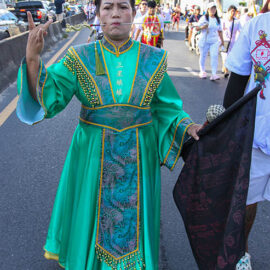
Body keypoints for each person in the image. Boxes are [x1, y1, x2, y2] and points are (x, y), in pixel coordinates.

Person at [17, 0, 202, 268]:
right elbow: (52, 95)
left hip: (139, 156)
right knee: (91, 213)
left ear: (133, 13)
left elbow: (167, 109)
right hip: (92, 154)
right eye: (108, 7)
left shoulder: (153, 58)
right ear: (98, 14)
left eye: (123, 7)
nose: (115, 13)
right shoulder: (79, 57)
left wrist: (189, 126)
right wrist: (33, 58)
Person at [223, 11, 270, 270]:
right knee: (245, 200)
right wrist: (226, 127)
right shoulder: (258, 25)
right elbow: (239, 76)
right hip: (258, 133)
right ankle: (241, 253)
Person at [196, 2, 224, 81]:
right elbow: (197, 28)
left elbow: (220, 31)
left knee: (214, 56)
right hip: (205, 40)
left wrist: (222, 41)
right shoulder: (204, 18)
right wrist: (203, 27)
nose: (213, 10)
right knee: (203, 55)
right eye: (211, 8)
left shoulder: (217, 19)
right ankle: (202, 71)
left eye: (214, 8)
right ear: (208, 9)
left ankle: (214, 74)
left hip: (214, 41)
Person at [221, 5, 241, 78]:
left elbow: (241, 31)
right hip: (224, 41)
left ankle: (224, 67)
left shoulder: (237, 21)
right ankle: (226, 70)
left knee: (229, 57)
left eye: (234, 11)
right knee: (224, 56)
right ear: (228, 11)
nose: (233, 13)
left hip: (232, 42)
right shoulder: (223, 20)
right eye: (232, 11)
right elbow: (219, 30)